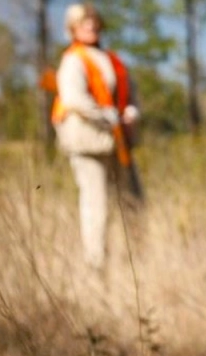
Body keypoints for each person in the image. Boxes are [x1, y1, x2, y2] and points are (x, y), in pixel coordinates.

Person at [52, 3, 141, 271]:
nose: (90, 26)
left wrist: (132, 111)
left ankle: (134, 265)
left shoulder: (111, 58)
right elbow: (73, 99)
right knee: (97, 208)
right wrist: (109, 115)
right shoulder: (72, 60)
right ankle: (96, 269)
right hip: (87, 144)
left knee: (133, 204)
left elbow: (130, 95)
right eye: (83, 22)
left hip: (117, 143)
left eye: (92, 21)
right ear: (73, 29)